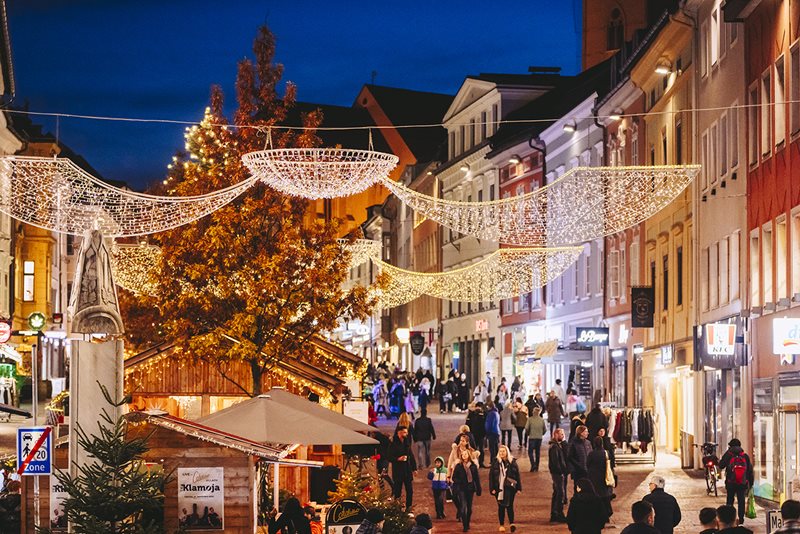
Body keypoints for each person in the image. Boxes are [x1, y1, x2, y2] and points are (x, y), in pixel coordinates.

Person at [718, 438, 754, 526]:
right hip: (742, 483)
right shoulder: (745, 456)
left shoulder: (728, 454)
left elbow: (721, 465)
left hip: (731, 482)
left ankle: (729, 519)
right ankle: (741, 519)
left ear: (730, 446)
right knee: (741, 500)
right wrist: (750, 483)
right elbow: (750, 471)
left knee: (730, 500)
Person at [489, 444, 522, 533]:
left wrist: (519, 488)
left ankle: (512, 523)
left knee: (510, 505)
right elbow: (491, 477)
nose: (502, 453)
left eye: (503, 451)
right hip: (498, 488)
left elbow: (517, 475)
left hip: (510, 488)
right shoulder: (495, 463)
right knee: (501, 507)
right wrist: (492, 488)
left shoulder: (512, 462)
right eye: (500, 451)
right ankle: (502, 525)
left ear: (507, 452)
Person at [451, 447, 482, 532]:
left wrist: (479, 489)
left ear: (469, 455)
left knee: (469, 508)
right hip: (461, 489)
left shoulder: (473, 466)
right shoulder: (458, 466)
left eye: (465, 454)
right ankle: (464, 525)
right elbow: (454, 478)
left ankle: (467, 523)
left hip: (470, 489)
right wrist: (460, 481)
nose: (464, 456)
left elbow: (476, 478)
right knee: (463, 507)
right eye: (462, 454)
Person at [387, 425, 417, 512]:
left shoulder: (407, 443)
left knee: (410, 490)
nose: (406, 434)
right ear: (399, 433)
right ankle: (397, 508)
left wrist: (414, 468)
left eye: (406, 432)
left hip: (407, 470)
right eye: (404, 432)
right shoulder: (393, 444)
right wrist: (397, 459)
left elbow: (411, 455)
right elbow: (389, 457)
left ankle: (409, 508)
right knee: (398, 491)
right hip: (398, 471)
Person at [587, 436, 613, 517]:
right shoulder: (606, 453)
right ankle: (607, 512)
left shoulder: (591, 454)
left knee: (596, 495)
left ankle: (597, 513)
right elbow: (611, 463)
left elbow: (587, 464)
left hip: (594, 477)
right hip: (604, 476)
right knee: (605, 495)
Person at [548, 427, 570, 523]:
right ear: (556, 434)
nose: (563, 436)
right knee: (560, 493)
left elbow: (566, 453)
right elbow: (556, 461)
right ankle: (558, 514)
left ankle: (554, 514)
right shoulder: (554, 447)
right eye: (561, 434)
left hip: (558, 473)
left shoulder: (557, 445)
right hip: (557, 473)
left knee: (557, 493)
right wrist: (561, 471)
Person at [568, 425, 592, 490]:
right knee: (578, 488)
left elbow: (591, 455)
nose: (588, 433)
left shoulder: (588, 443)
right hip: (578, 471)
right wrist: (579, 465)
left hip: (588, 470)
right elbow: (570, 457)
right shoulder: (573, 443)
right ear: (581, 433)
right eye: (586, 431)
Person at [524, 406, 547, 472]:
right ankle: (537, 467)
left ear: (533, 412)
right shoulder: (542, 420)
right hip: (539, 438)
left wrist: (528, 433)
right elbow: (545, 429)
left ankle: (533, 464)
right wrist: (541, 434)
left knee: (530, 452)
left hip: (532, 437)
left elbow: (526, 428)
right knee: (537, 452)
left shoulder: (530, 419)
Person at [466, 403, 487, 467]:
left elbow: (467, 423)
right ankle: (474, 462)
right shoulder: (472, 414)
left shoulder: (483, 414)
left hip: (479, 434)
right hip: (476, 434)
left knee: (480, 449)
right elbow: (467, 423)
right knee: (475, 449)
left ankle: (480, 462)